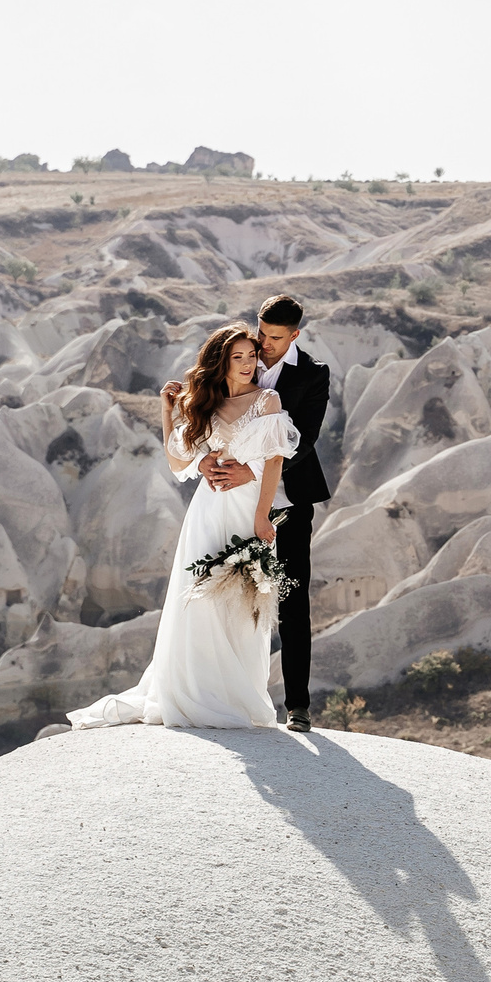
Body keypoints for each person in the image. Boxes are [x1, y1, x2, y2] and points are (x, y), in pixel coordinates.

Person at [67, 325, 298, 730]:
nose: (247, 364)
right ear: (221, 362)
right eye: (237, 357)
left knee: (244, 602)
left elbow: (275, 459)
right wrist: (169, 411)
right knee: (199, 599)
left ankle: (238, 695)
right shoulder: (204, 404)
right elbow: (178, 464)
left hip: (247, 510)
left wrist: (263, 514)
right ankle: (195, 693)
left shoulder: (267, 399)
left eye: (251, 356)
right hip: (208, 511)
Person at [197, 295, 332, 732]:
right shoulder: (240, 360)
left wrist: (251, 471)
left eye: (275, 338)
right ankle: (223, 695)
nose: (265, 344)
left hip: (289, 502)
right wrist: (202, 460)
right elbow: (204, 420)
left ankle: (298, 706)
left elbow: (304, 439)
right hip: (232, 503)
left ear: (295, 334)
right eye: (261, 333)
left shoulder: (314, 374)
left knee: (291, 600)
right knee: (224, 595)